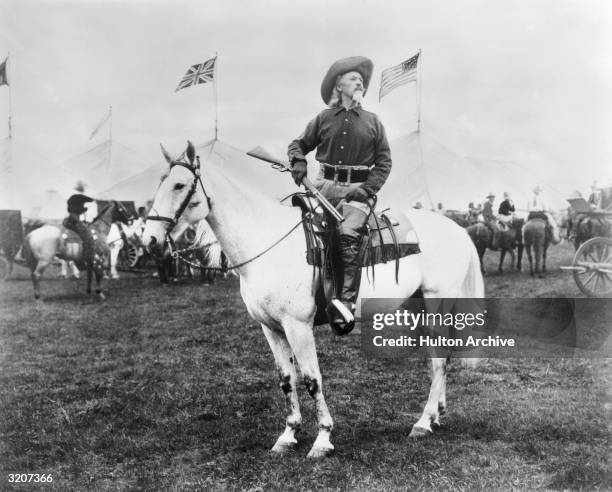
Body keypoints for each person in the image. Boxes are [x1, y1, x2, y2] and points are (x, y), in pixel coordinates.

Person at [288, 56, 392, 335]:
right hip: (322, 188)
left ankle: (343, 305)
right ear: (338, 85)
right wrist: (298, 161)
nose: (359, 81)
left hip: (357, 193)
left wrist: (367, 189)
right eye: (352, 77)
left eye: (361, 79)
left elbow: (384, 163)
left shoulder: (373, 122)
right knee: (297, 228)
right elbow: (298, 144)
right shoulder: (323, 119)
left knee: (346, 235)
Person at [63, 181, 95, 262]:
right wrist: (84, 209)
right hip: (75, 219)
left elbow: (69, 209)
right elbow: (91, 200)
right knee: (87, 235)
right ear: (82, 191)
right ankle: (86, 255)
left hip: (70, 218)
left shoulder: (71, 198)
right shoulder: (81, 197)